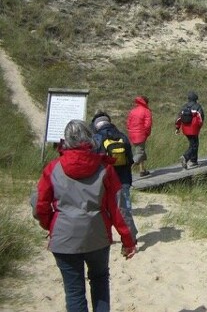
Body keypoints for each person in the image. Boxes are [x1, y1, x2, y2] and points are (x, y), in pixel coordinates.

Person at [32, 119, 137, 312]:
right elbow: (118, 208)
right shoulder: (105, 169)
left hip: (64, 236)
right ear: (89, 138)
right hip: (97, 235)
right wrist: (128, 240)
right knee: (100, 281)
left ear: (65, 140)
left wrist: (51, 225)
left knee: (74, 291)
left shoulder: (53, 168)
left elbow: (40, 206)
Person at [91, 111, 138, 238]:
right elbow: (130, 160)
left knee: (103, 210)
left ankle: (105, 236)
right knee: (125, 209)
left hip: (104, 181)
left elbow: (93, 162)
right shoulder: (122, 136)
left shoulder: (96, 139)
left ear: (96, 125)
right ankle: (131, 236)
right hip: (123, 179)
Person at [175, 91, 205, 169]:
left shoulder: (184, 107)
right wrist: (199, 126)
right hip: (194, 129)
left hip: (185, 129)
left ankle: (194, 161)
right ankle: (185, 157)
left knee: (193, 144)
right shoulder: (197, 106)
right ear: (196, 99)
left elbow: (178, 118)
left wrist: (177, 128)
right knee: (194, 145)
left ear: (188, 98)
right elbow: (200, 118)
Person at [126, 95, 153, 177]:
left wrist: (130, 131)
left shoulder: (133, 111)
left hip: (132, 134)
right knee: (140, 153)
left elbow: (128, 123)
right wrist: (146, 133)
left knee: (139, 151)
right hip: (140, 134)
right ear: (146, 102)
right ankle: (128, 168)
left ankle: (142, 170)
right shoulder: (146, 111)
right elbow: (148, 125)